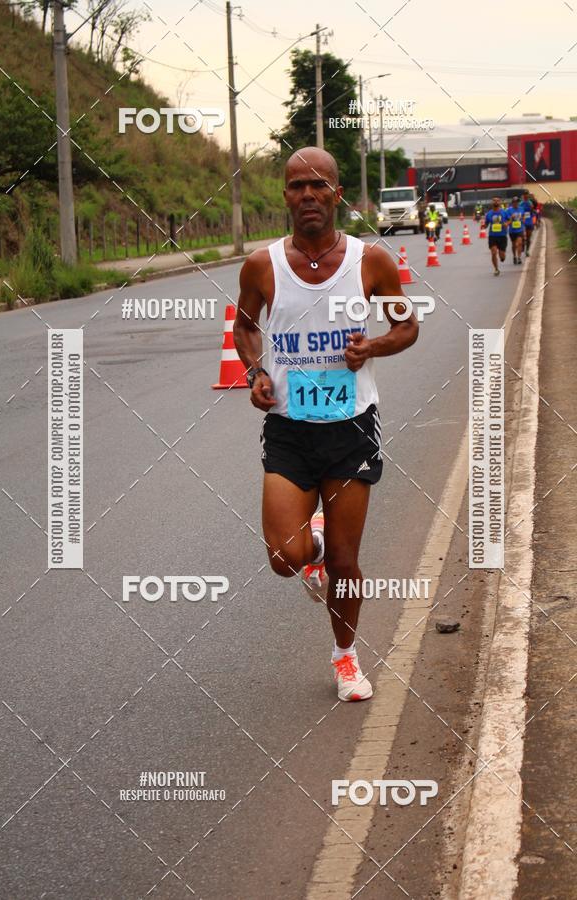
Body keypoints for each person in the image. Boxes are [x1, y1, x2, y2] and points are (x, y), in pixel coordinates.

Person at [233, 147, 419, 701]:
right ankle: (307, 547)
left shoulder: (371, 261)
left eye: (319, 185)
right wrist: (255, 370)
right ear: (285, 195)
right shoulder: (262, 266)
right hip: (289, 429)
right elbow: (244, 326)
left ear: (337, 194)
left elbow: (408, 328)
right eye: (296, 186)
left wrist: (375, 346)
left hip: (351, 428)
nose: (308, 195)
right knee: (284, 559)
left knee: (345, 561)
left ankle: (345, 657)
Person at [484, 197, 508, 276]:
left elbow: (510, 220)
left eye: (497, 200)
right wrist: (484, 226)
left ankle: (502, 257)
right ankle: (496, 269)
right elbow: (486, 224)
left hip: (502, 236)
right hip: (492, 236)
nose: (496, 202)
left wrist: (506, 224)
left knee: (502, 255)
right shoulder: (489, 214)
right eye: (494, 200)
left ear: (500, 202)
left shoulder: (504, 212)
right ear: (492, 202)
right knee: (493, 252)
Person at [506, 196, 525, 264]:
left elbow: (523, 217)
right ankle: (514, 256)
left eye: (517, 202)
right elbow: (508, 220)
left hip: (520, 229)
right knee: (514, 245)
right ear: (512, 203)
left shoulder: (521, 209)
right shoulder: (508, 210)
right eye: (515, 202)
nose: (516, 203)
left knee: (519, 243)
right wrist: (512, 217)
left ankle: (519, 258)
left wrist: (523, 220)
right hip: (512, 230)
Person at [520, 190, 535, 256]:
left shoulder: (530, 203)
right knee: (523, 237)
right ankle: (523, 244)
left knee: (529, 237)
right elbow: (519, 211)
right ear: (523, 195)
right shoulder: (521, 203)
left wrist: (532, 208)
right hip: (522, 222)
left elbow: (533, 211)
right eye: (524, 194)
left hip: (529, 221)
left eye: (527, 194)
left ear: (528, 195)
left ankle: (527, 250)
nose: (526, 195)